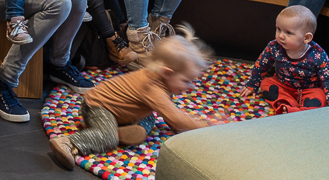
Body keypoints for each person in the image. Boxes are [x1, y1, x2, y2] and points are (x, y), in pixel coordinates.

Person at [49, 27, 214, 171]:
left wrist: (180, 129)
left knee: (148, 116)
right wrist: (207, 127)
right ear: (167, 73)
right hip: (97, 108)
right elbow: (176, 118)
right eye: (186, 80)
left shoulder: (162, 81)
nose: (191, 86)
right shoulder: (154, 87)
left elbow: (170, 115)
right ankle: (69, 142)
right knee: (108, 137)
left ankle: (119, 131)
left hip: (119, 112)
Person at [240, 6, 329, 114]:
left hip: (309, 90)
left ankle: (295, 111)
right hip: (283, 85)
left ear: (306, 38)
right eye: (279, 29)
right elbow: (261, 65)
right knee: (266, 83)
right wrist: (253, 84)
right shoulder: (274, 46)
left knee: (320, 97)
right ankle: (287, 105)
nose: (281, 36)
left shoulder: (318, 55)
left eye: (288, 33)